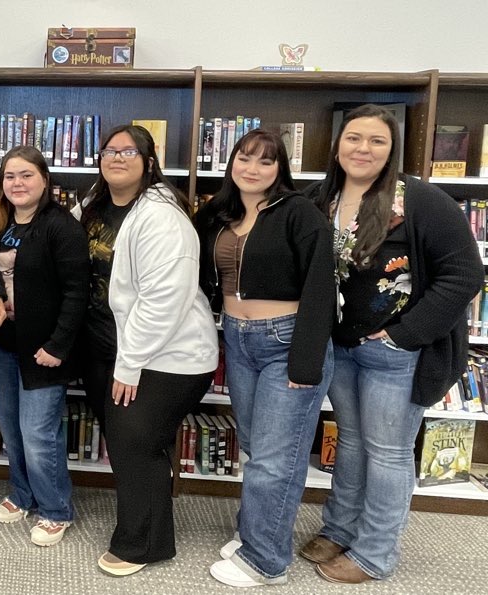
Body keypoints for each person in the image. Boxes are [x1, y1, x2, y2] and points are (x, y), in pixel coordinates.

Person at [300, 104, 482, 584]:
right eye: (354, 138)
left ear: (392, 149)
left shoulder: (421, 200)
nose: (363, 149)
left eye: (376, 141)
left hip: (397, 352)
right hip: (339, 346)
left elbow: (465, 274)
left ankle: (375, 553)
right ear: (337, 145)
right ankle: (340, 529)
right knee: (353, 441)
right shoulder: (321, 198)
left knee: (389, 451)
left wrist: (405, 335)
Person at [196, 129, 336, 587]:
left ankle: (265, 559)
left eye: (265, 161)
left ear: (281, 170)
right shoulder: (217, 212)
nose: (252, 168)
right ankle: (260, 533)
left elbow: (321, 286)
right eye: (244, 158)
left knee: (275, 459)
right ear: (231, 162)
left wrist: (306, 362)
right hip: (237, 338)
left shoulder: (299, 212)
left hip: (288, 341)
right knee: (259, 450)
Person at [91, 125, 219, 576]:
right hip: (131, 350)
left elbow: (162, 301)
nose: (116, 157)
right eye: (109, 150)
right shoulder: (106, 206)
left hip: (167, 357)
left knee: (134, 442)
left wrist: (128, 364)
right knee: (135, 443)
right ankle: (149, 531)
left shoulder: (161, 216)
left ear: (149, 161)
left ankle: (141, 545)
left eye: (128, 151)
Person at [0, 145, 89, 547]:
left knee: (38, 432)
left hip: (44, 349)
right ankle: (22, 492)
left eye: (26, 175)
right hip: (4, 345)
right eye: (10, 176)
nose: (17, 183)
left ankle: (55, 508)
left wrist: (59, 345)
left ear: (44, 180)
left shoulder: (61, 226)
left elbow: (78, 292)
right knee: (11, 428)